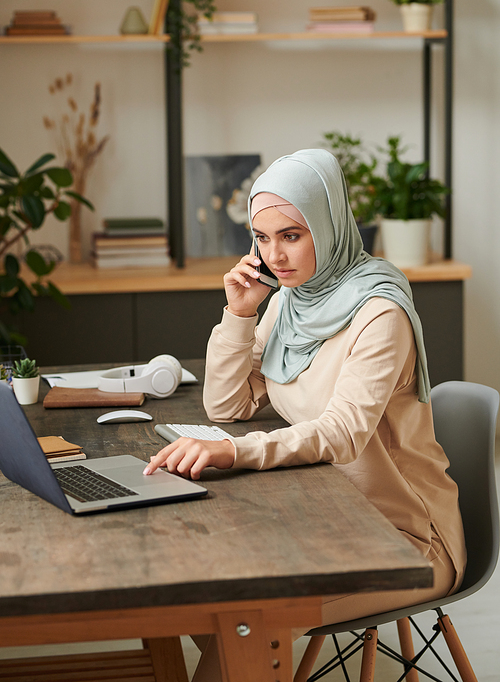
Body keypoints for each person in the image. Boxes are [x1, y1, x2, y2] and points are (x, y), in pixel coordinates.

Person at [144, 148, 466, 680]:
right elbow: (228, 405)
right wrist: (239, 313)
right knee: (202, 603)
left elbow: (341, 434)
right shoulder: (294, 300)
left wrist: (233, 452)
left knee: (246, 621)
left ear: (329, 223)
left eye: (292, 235)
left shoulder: (379, 314)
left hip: (404, 540)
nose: (275, 256)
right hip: (323, 515)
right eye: (262, 238)